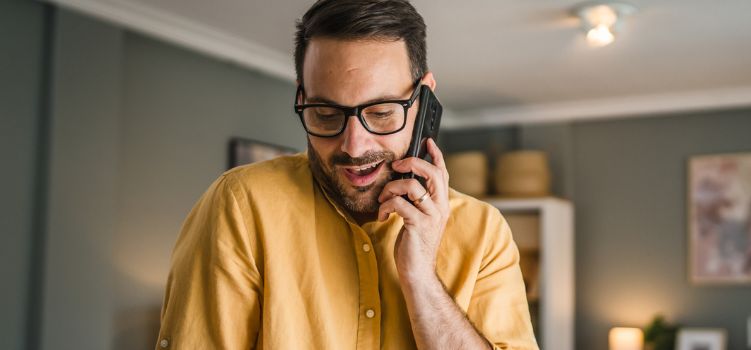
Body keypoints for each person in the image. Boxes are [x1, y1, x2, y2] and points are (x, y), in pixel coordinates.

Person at [154, 1, 537, 348]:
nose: (354, 146)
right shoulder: (240, 205)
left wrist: (422, 280)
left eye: (382, 113)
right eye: (326, 114)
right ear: (302, 99)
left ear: (424, 101)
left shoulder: (484, 231)